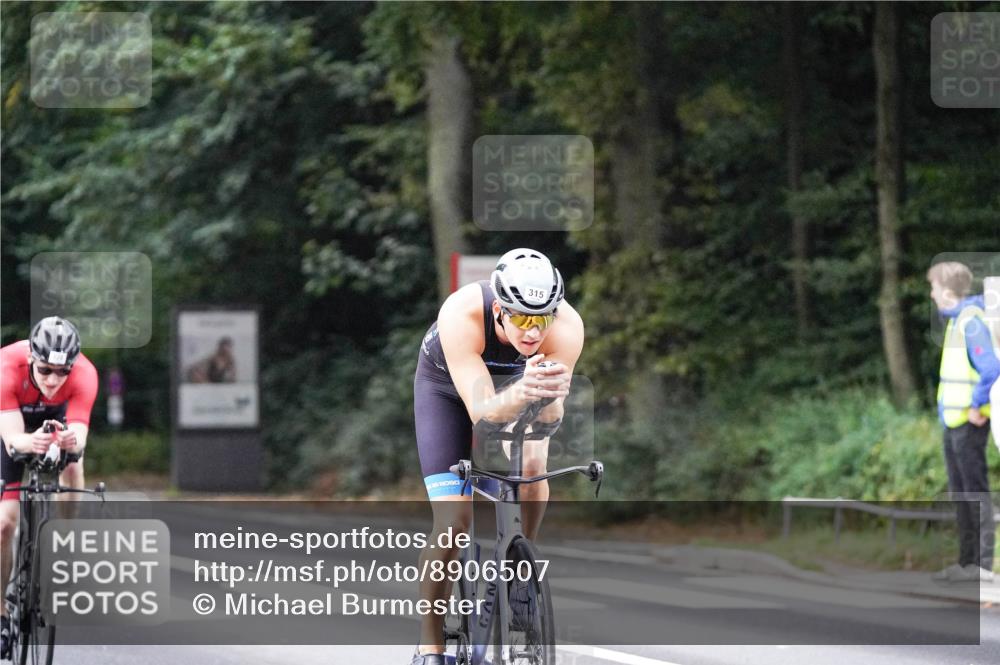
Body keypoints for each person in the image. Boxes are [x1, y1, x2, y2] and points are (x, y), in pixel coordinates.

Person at [410, 249, 584, 664]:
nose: (532, 331)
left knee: (532, 466)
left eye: (541, 319)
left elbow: (549, 421)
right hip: (450, 390)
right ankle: (430, 642)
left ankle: (522, 566)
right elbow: (484, 416)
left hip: (519, 386)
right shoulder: (462, 314)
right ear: (499, 310)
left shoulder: (568, 327)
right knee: (454, 523)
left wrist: (550, 398)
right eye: (521, 318)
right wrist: (525, 391)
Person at [0, 317, 98, 659]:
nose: (53, 380)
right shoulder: (5, 368)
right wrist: (31, 442)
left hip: (55, 421)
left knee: (73, 463)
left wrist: (70, 441)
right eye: (44, 370)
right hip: (12, 424)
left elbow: (80, 437)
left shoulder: (84, 374)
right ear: (31, 359)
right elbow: (13, 441)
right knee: (4, 524)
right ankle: (0, 612)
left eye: (62, 372)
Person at [927, 263, 999, 583]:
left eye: (933, 287)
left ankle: (982, 567)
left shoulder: (970, 322)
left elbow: (991, 367)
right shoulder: (957, 322)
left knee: (975, 493)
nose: (930, 293)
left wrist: (976, 406)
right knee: (961, 494)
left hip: (968, 423)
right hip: (953, 423)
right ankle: (966, 563)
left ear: (946, 290)